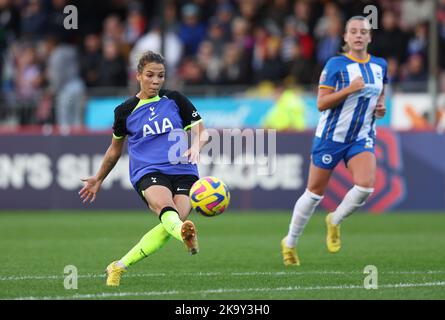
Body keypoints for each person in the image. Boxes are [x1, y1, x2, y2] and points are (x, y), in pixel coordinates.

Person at [79, 51, 208, 286]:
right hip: (148, 171)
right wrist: (98, 178)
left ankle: (118, 266)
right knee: (167, 210)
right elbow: (114, 150)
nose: (156, 81)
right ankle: (185, 235)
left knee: (172, 222)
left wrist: (197, 146)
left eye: (161, 76)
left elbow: (203, 132)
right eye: (150, 75)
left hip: (184, 169)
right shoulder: (125, 111)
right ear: (138, 75)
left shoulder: (176, 100)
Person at [281, 16, 387, 266]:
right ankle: (290, 242)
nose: (359, 35)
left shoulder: (380, 65)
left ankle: (335, 220)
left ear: (370, 37)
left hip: (361, 136)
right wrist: (349, 89)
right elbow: (321, 103)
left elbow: (381, 93)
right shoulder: (335, 65)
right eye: (353, 31)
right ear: (346, 37)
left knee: (366, 186)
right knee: (314, 193)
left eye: (363, 32)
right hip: (331, 137)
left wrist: (380, 107)